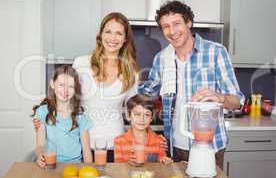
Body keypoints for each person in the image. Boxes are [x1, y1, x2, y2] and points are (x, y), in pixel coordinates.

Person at [139, 0, 245, 169]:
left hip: (209, 146)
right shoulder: (162, 58)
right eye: (166, 26)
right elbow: (148, 93)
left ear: (189, 22)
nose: (172, 31)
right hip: (174, 146)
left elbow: (237, 101)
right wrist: (126, 81)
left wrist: (219, 97)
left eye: (176, 23)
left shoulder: (215, 52)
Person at [72, 12, 140, 162]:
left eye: (118, 33)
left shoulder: (131, 73)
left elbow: (134, 112)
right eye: (108, 32)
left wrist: (139, 144)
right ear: (100, 35)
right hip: (80, 144)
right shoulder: (81, 64)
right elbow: (67, 102)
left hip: (115, 145)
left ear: (125, 39)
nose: (112, 38)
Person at [32, 65, 92, 168]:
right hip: (50, 165)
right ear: (52, 84)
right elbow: (40, 145)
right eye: (61, 85)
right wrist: (40, 155)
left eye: (71, 86)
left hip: (75, 166)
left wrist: (88, 170)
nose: (65, 91)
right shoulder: (42, 111)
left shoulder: (80, 115)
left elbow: (86, 151)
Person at [114, 94, 172, 165]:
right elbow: (118, 167)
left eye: (147, 115)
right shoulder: (119, 141)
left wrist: (165, 160)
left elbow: (161, 161)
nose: (142, 119)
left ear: (151, 118)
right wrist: (128, 164)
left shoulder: (159, 141)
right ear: (128, 116)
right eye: (137, 114)